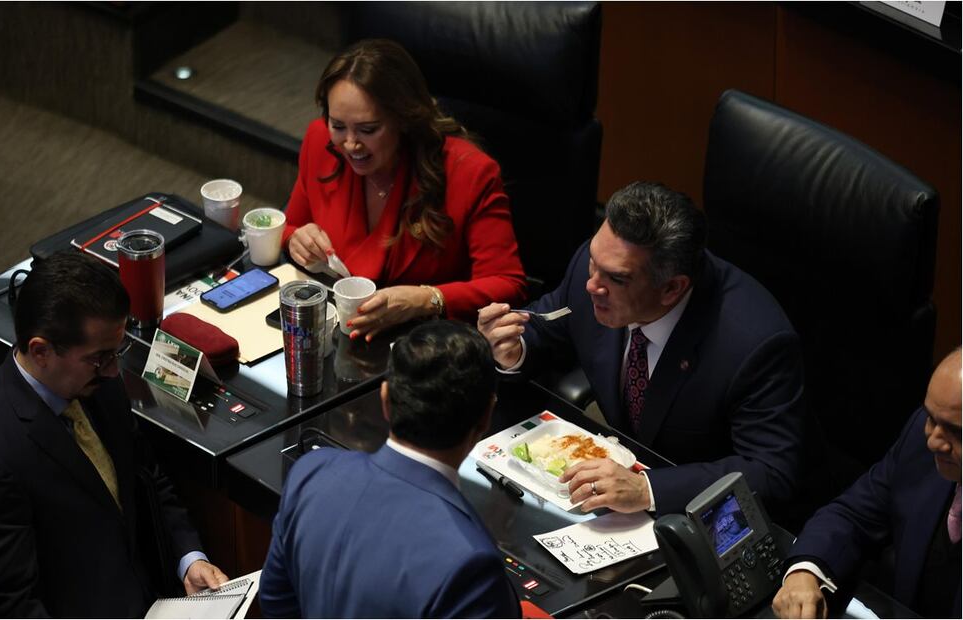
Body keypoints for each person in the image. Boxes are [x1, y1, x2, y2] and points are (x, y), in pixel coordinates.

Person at [478, 181, 805, 516]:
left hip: (698, 514)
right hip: (608, 489)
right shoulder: (601, 266)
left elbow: (771, 472)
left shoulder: (754, 344)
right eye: (593, 262)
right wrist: (513, 349)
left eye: (616, 279)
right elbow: (547, 327)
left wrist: (648, 489)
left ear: (671, 289)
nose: (591, 285)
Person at [0, 252, 227, 617]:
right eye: (99, 358)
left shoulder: (98, 383)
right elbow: (15, 605)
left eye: (118, 351)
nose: (114, 370)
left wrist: (189, 559)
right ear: (41, 351)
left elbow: (146, 477)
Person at [259, 321, 521, 618]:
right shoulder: (472, 565)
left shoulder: (311, 473)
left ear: (385, 400)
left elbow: (276, 604)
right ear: (486, 416)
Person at [283, 38, 526, 340]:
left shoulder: (470, 172)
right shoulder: (320, 142)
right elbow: (291, 226)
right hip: (337, 331)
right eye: (338, 126)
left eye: (368, 130)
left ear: (404, 119)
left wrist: (427, 298)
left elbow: (508, 284)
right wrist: (295, 239)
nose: (350, 144)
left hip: (426, 342)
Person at [772, 349, 961, 619]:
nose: (932, 440)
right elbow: (854, 514)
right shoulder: (920, 442)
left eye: (957, 432)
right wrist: (805, 571)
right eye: (931, 417)